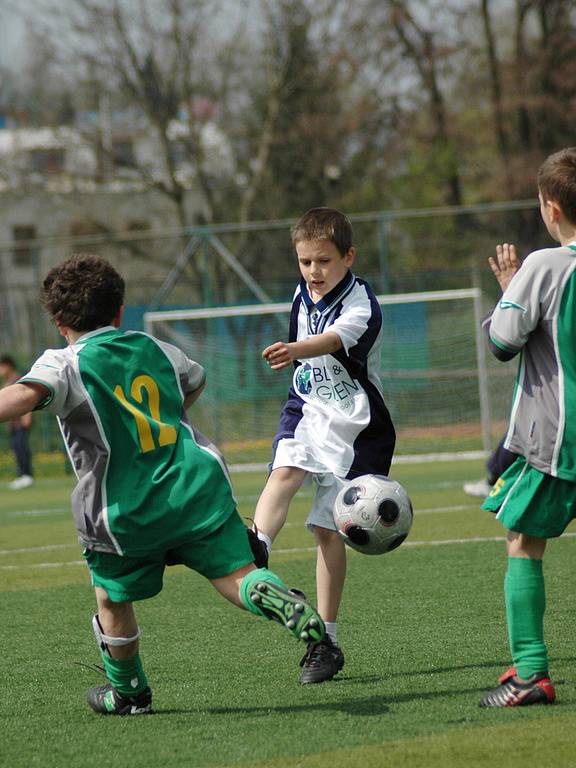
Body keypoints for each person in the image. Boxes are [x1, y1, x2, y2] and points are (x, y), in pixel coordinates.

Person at [0, 253, 325, 716]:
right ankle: (276, 599)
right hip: (195, 490)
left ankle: (130, 693)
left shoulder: (65, 362)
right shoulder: (154, 348)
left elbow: (26, 394)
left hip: (125, 511)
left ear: (58, 322)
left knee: (112, 597)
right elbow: (195, 379)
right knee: (236, 573)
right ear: (120, 311)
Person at [250, 208, 396, 684]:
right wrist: (297, 360)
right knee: (284, 473)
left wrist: (296, 349)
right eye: (305, 262)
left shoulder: (362, 305)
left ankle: (326, 640)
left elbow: (333, 340)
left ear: (348, 257)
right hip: (306, 407)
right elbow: (306, 339)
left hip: (353, 428)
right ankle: (255, 553)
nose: (313, 272)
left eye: (324, 261)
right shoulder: (301, 292)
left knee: (326, 532)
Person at [479, 147, 576, 707]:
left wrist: (512, 287)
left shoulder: (545, 264)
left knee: (523, 542)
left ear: (550, 206)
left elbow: (501, 342)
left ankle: (532, 672)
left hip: (558, 437)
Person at [0, 354, 34, 489]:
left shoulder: (17, 379)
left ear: (8, 366)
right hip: (14, 424)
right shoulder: (7, 381)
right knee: (17, 448)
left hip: (21, 422)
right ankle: (22, 475)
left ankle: (26, 475)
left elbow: (26, 396)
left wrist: (27, 416)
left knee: (21, 447)